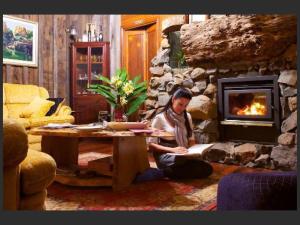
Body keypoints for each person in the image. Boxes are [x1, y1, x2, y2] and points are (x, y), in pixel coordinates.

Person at [135, 88, 213, 182]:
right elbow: (151, 145)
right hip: (166, 155)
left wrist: (193, 151)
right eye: (180, 104)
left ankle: (163, 173)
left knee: (207, 168)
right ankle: (165, 171)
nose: (182, 108)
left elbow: (191, 140)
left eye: (185, 105)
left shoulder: (187, 117)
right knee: (180, 161)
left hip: (183, 154)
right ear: (173, 100)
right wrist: (173, 150)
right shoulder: (160, 118)